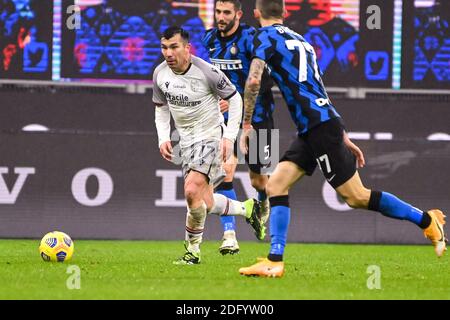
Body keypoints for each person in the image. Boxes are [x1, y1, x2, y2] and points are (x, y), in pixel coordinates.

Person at [238, 0, 447, 277]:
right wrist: (343, 133)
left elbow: (253, 81)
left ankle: (426, 219)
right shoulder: (303, 41)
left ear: (255, 14)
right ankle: (274, 261)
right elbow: (318, 86)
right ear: (285, 12)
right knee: (276, 185)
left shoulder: (263, 36)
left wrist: (247, 122)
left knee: (356, 197)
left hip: (319, 128)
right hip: (317, 126)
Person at [152, 26, 265, 265]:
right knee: (204, 202)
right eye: (164, 47)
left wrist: (229, 137)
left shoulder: (207, 72)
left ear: (186, 48)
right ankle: (247, 209)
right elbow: (161, 108)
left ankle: (192, 253)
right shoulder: (160, 74)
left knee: (192, 190)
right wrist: (163, 137)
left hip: (211, 137)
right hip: (185, 142)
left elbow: (235, 99)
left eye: (174, 47)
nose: (168, 53)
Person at [202, 0, 275, 255]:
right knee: (225, 171)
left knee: (260, 181)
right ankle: (229, 236)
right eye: (218, 12)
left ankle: (260, 205)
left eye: (226, 13)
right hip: (226, 121)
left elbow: (266, 79)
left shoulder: (251, 39)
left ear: (239, 15)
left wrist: (240, 102)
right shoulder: (209, 39)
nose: (220, 17)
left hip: (260, 116)